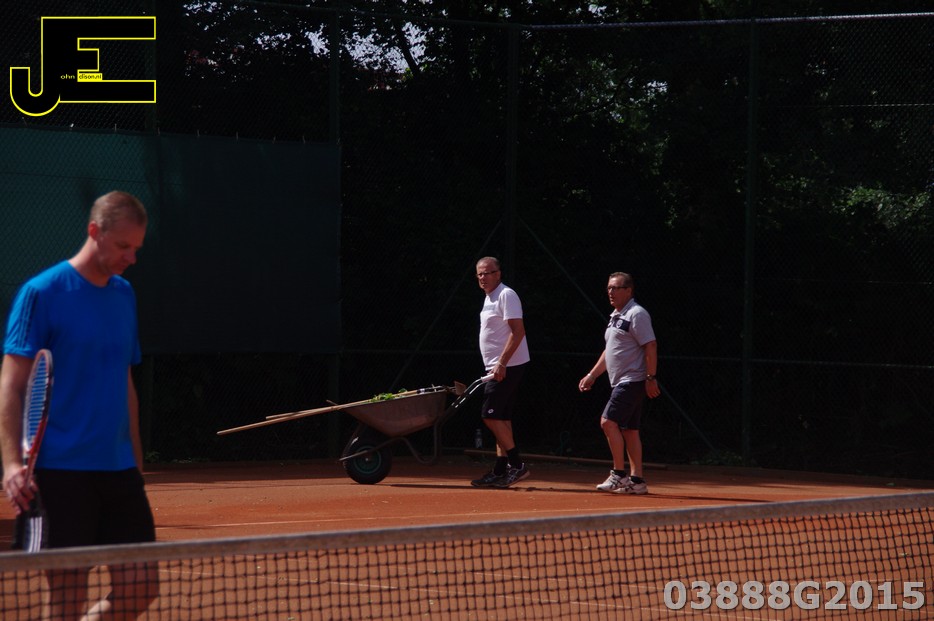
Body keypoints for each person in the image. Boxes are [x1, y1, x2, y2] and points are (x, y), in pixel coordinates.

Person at [0, 191, 159, 619]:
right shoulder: (42, 293)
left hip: (118, 470)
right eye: (123, 246)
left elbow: (124, 381)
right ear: (94, 232)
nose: (132, 258)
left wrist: (136, 464)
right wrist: (12, 464)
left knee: (142, 586)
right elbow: (11, 384)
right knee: (67, 597)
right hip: (59, 473)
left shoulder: (124, 295)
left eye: (137, 248)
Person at [578, 272, 659, 495]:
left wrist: (651, 377)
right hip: (622, 381)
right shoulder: (616, 316)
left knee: (608, 422)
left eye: (616, 288)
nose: (610, 292)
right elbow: (610, 350)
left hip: (632, 380)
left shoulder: (637, 314)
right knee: (630, 430)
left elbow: (650, 345)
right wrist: (592, 375)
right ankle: (637, 481)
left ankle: (618, 474)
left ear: (628, 291)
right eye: (609, 288)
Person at [470, 257, 531, 489]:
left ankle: (517, 465)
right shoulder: (489, 298)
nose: (483, 277)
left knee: (490, 415)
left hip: (507, 366)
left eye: (487, 273)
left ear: (498, 273)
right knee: (501, 418)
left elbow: (518, 331)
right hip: (496, 367)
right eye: (479, 274)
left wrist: (502, 363)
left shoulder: (506, 295)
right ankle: (500, 469)